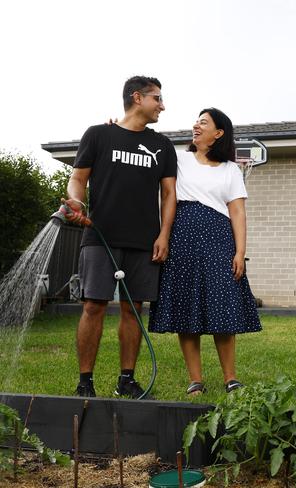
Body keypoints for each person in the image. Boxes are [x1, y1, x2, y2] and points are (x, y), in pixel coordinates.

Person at [64, 75, 177, 398]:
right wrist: (75, 202)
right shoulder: (98, 135)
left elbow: (169, 195)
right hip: (101, 238)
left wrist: (164, 234)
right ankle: (85, 381)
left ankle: (126, 379)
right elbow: (77, 179)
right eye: (158, 98)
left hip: (144, 241)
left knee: (133, 308)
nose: (163, 106)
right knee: (93, 306)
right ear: (138, 98)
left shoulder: (162, 145)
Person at [148, 107, 262, 395]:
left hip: (219, 242)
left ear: (218, 133)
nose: (196, 126)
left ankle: (230, 378)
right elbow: (147, 144)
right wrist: (118, 129)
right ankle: (195, 380)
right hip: (182, 239)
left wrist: (240, 252)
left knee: (222, 308)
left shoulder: (230, 170)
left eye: (203, 122)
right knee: (187, 311)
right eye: (196, 121)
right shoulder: (179, 159)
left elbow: (237, 212)